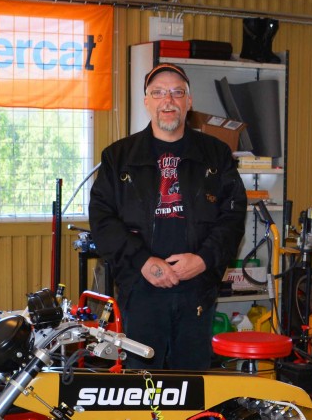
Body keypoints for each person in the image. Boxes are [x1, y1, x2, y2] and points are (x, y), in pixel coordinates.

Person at [89, 63, 247, 370]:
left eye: (177, 92)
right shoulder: (118, 157)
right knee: (143, 383)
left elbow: (232, 217)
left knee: (191, 383)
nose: (168, 101)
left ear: (189, 102)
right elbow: (102, 219)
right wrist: (143, 262)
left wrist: (202, 260)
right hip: (141, 289)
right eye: (158, 93)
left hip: (196, 289)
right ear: (147, 101)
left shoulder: (216, 154)